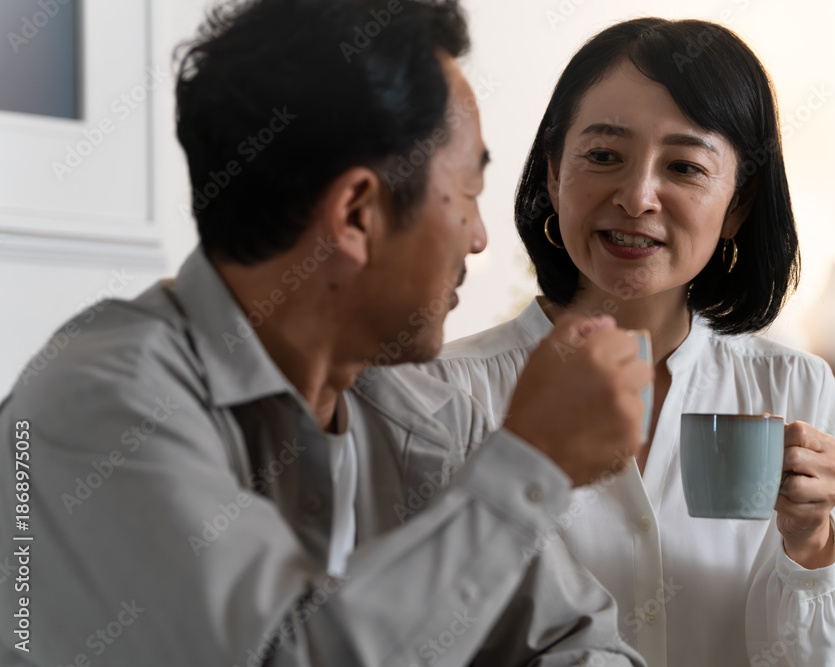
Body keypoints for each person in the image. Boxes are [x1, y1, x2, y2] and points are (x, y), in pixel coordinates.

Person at [0, 1, 649, 665]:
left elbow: (579, 644)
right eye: (469, 191)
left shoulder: (426, 412)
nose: (480, 238)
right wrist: (532, 465)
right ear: (356, 214)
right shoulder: (97, 407)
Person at [416, 18, 835, 666]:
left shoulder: (792, 388)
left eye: (685, 166)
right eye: (603, 156)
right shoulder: (442, 391)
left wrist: (809, 542)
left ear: (738, 204)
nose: (638, 197)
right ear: (553, 174)